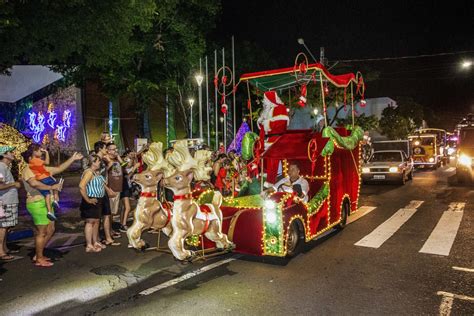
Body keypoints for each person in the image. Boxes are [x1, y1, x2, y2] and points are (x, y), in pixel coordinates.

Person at [21, 147, 82, 267]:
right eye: (37, 154)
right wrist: (51, 187)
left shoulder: (42, 169)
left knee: (51, 229)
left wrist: (73, 158)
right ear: (30, 158)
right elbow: (34, 183)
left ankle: (39, 253)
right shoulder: (28, 169)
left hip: (47, 202)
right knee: (42, 232)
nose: (40, 155)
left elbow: (59, 168)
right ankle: (39, 258)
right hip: (36, 203)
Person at [79, 154, 117, 252]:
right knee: (90, 222)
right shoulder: (89, 172)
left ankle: (95, 241)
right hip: (92, 199)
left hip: (99, 200)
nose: (100, 162)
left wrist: (109, 191)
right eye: (98, 161)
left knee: (96, 222)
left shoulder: (96, 172)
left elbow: (102, 184)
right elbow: (81, 186)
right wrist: (88, 199)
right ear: (93, 162)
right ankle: (89, 245)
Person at [28, 144, 60, 221]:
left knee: (47, 195)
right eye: (40, 151)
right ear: (34, 152)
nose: (41, 152)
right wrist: (46, 152)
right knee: (56, 184)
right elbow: (47, 162)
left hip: (39, 180)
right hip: (45, 178)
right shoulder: (36, 160)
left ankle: (49, 212)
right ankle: (55, 200)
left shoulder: (31, 160)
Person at [0, 148, 21, 261]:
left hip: (9, 200)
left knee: (6, 226)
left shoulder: (5, 167)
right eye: (10, 152)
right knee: (3, 226)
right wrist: (14, 184)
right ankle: (1, 251)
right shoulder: (1, 167)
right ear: (4, 155)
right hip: (5, 201)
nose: (13, 153)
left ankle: (5, 248)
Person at [102, 142, 123, 245]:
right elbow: (103, 175)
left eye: (116, 149)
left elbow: (123, 165)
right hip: (111, 189)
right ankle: (108, 232)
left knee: (113, 213)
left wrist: (118, 157)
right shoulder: (105, 160)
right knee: (109, 213)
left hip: (118, 188)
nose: (116, 151)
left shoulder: (115, 159)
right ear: (108, 150)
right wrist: (108, 189)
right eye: (113, 149)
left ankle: (111, 230)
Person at [119, 150, 140, 232]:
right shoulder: (124, 167)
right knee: (128, 207)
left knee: (124, 207)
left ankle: (122, 223)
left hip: (126, 186)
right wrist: (134, 168)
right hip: (124, 187)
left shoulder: (128, 163)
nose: (128, 162)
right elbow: (127, 176)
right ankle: (123, 225)